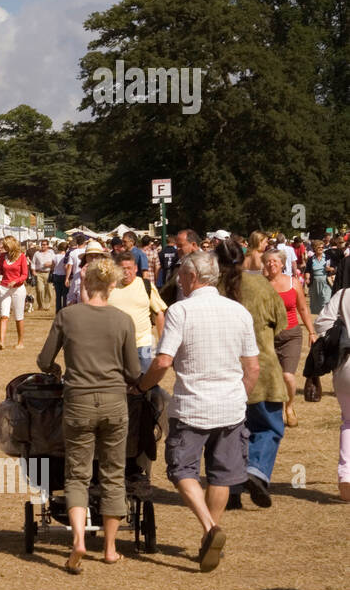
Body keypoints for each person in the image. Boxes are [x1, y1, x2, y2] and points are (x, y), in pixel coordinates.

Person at [136, 251, 258, 572]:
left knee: (182, 470)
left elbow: (163, 361)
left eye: (181, 276)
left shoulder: (181, 311)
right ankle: (210, 532)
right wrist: (238, 396)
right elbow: (253, 368)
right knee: (221, 474)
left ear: (192, 277)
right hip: (230, 406)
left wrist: (141, 386)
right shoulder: (239, 312)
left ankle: (209, 529)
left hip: (192, 406)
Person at [37, 256, 141, 572]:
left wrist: (57, 371)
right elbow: (134, 370)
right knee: (112, 472)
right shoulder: (124, 321)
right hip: (114, 402)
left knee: (77, 473)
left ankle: (79, 540)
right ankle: (109, 548)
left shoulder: (67, 316)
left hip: (78, 402)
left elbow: (44, 360)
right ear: (112, 286)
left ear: (86, 283)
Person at [215, 241, 287, 510]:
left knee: (231, 431)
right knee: (267, 427)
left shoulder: (212, 290)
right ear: (244, 258)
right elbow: (281, 323)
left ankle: (231, 488)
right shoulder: (261, 286)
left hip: (224, 369)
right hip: (262, 369)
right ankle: (256, 470)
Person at [263, 247, 314, 429]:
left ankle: (290, 407)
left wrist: (312, 332)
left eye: (275, 261)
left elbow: (302, 309)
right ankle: (271, 414)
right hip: (267, 335)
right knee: (269, 378)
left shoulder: (293, 283)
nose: (271, 264)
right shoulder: (261, 285)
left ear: (282, 263)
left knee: (287, 375)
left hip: (291, 335)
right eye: (268, 261)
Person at [312, 288, 350, 502]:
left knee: (348, 422)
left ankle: (346, 475)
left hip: (345, 365)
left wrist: (339, 337)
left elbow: (322, 322)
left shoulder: (343, 294)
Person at [108, 250, 168, 373]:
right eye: (122, 268)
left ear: (136, 268)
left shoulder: (146, 285)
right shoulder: (109, 288)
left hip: (143, 344)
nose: (126, 272)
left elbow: (159, 313)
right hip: (116, 346)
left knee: (146, 382)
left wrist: (162, 342)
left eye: (129, 268)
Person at [0, 236, 30, 350]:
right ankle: (2, 342)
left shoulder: (22, 257)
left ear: (11, 245)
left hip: (18, 289)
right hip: (4, 288)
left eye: (5, 246)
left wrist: (16, 281)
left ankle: (20, 342)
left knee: (19, 316)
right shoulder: (3, 257)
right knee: (4, 315)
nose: (3, 248)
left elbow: (25, 275)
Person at [305, 240, 331, 316]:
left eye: (322, 247)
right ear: (314, 248)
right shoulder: (311, 259)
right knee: (316, 302)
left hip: (326, 282)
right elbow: (308, 270)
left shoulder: (327, 257)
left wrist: (330, 269)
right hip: (314, 283)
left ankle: (325, 317)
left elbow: (334, 268)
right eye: (319, 247)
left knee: (325, 300)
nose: (321, 249)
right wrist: (307, 278)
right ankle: (321, 317)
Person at [31, 240, 56, 310]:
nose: (43, 246)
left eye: (44, 244)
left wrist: (50, 264)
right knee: (40, 289)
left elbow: (55, 261)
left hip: (48, 273)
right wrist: (33, 271)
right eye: (42, 244)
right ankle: (41, 305)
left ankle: (47, 305)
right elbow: (33, 263)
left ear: (48, 245)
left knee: (49, 290)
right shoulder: (37, 253)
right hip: (39, 273)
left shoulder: (51, 253)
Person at [51, 241, 71, 312]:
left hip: (56, 275)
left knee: (58, 295)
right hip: (64, 276)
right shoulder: (67, 257)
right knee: (65, 295)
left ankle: (58, 310)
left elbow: (52, 267)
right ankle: (65, 310)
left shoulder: (55, 256)